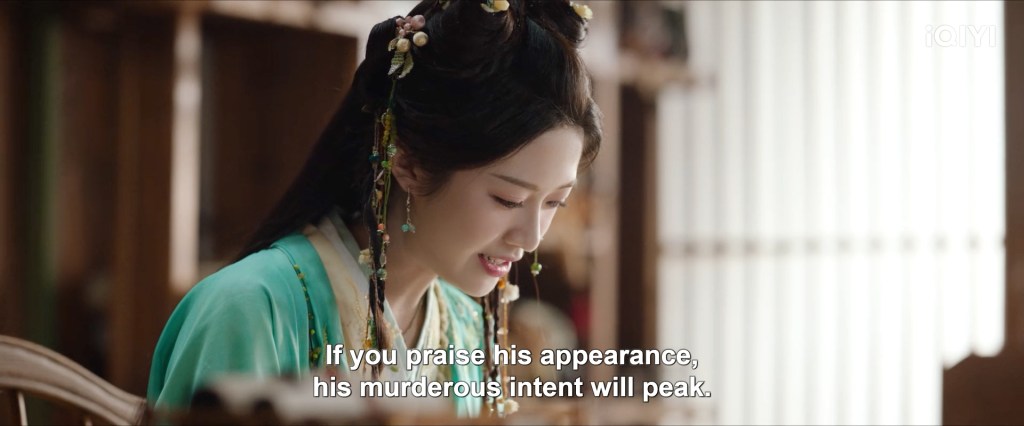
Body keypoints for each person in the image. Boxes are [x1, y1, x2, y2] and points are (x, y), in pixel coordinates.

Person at [146, 0, 601, 418]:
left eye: (554, 202)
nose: (531, 237)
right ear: (409, 164)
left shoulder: (465, 328)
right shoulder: (250, 309)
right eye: (509, 200)